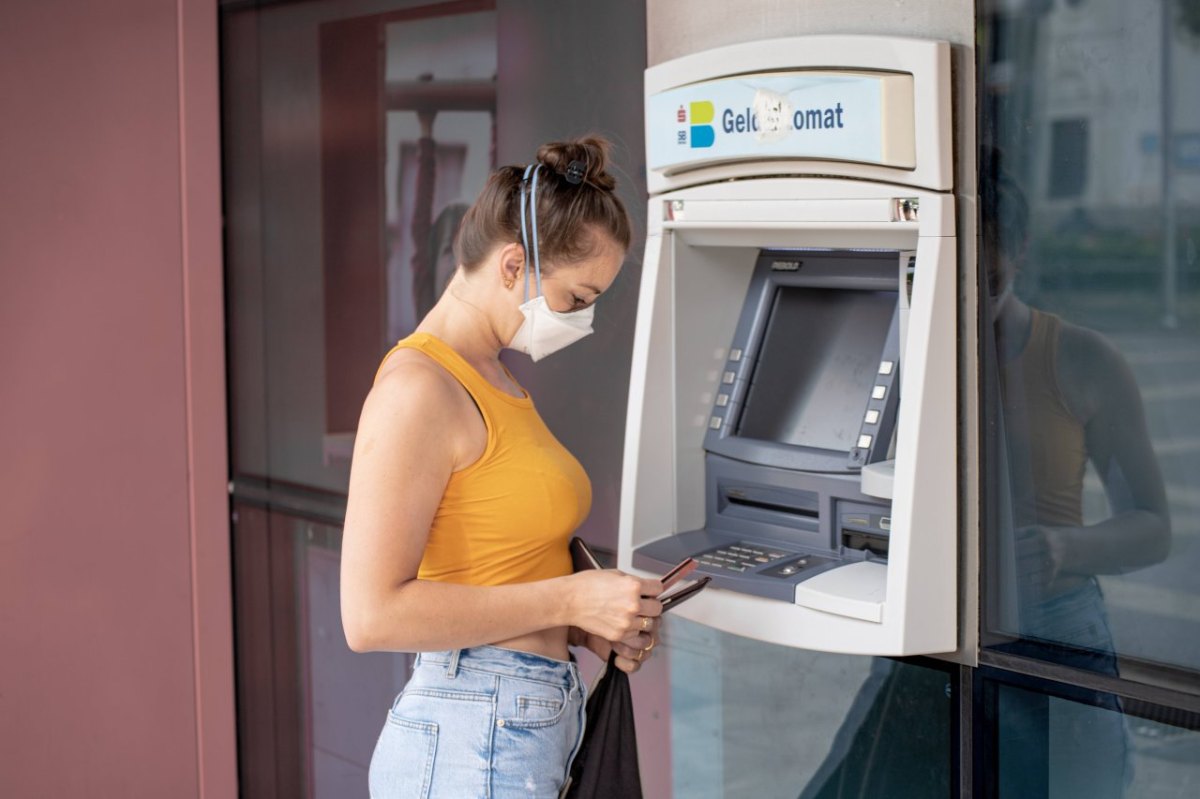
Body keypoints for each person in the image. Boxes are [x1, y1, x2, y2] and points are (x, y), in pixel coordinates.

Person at [340, 136, 663, 799]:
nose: (583, 320)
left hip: (512, 730)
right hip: (470, 739)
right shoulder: (419, 391)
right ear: (514, 264)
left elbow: (493, 563)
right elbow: (370, 615)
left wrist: (588, 625)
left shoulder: (495, 380)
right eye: (577, 298)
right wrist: (574, 597)